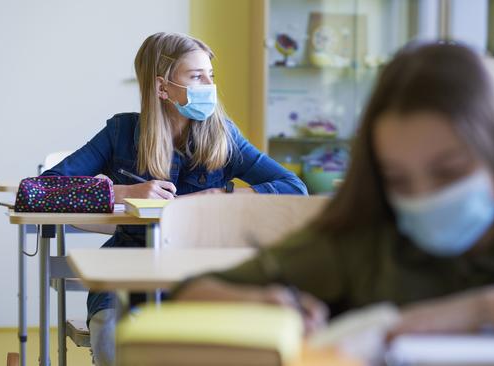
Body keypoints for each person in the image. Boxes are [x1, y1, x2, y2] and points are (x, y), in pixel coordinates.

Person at [174, 43, 494, 342]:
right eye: (398, 179)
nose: (424, 197)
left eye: (449, 172)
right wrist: (263, 301)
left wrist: (476, 311)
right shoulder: (367, 239)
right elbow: (192, 294)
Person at [41, 32, 306, 365]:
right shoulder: (120, 133)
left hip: (202, 276)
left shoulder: (224, 136)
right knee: (110, 339)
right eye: (196, 77)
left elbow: (293, 187)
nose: (209, 86)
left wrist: (223, 196)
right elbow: (43, 189)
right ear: (162, 88)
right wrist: (121, 192)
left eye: (210, 76)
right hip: (127, 273)